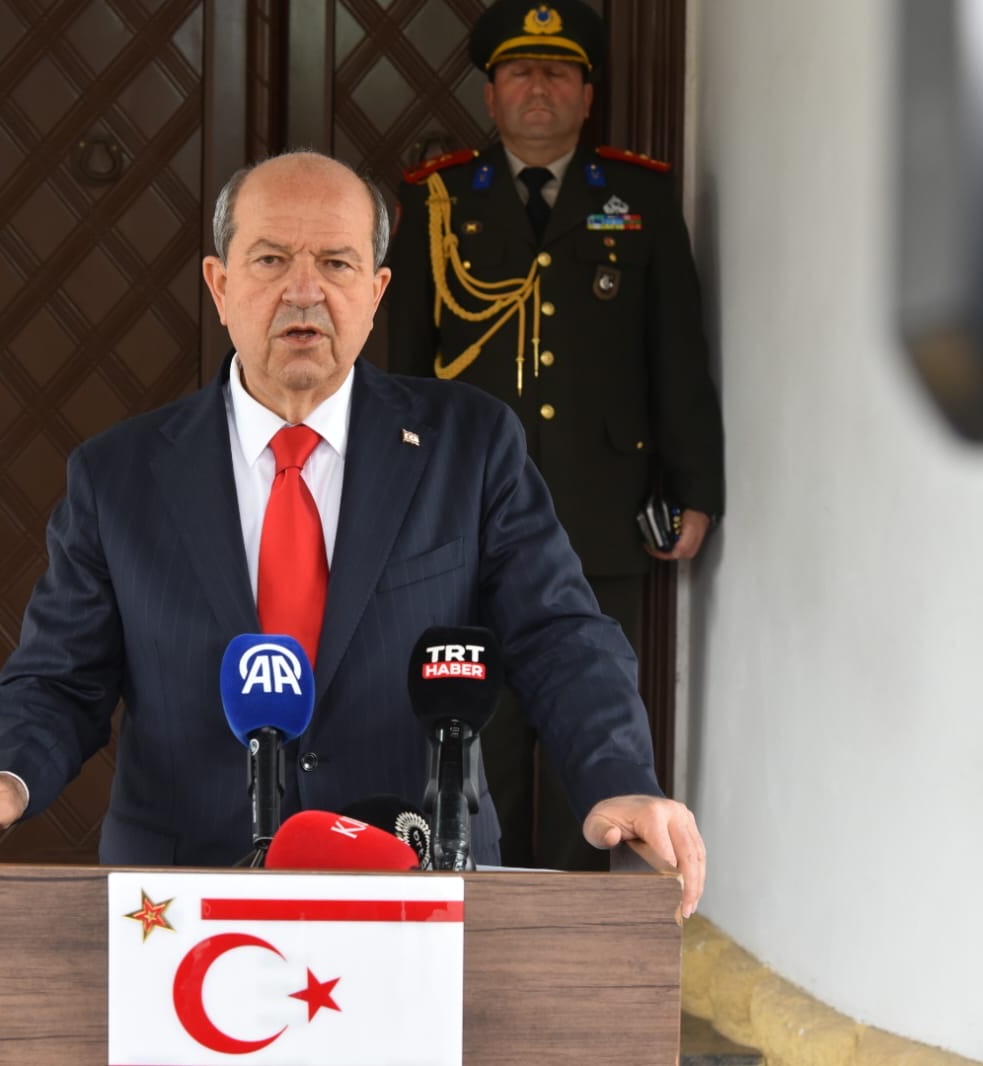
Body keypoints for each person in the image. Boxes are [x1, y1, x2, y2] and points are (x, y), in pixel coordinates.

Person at [0, 150, 704, 917]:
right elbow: (61, 678)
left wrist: (619, 777)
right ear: (219, 286)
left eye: (336, 263)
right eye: (269, 260)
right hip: (186, 900)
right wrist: (1, 774)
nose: (304, 291)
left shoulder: (470, 445)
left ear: (376, 289)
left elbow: (558, 636)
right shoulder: (116, 475)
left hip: (414, 880)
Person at [384, 0, 726, 872]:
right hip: (460, 509)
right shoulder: (438, 200)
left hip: (600, 503)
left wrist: (694, 489)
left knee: (589, 714)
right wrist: (397, 499)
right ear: (490, 94)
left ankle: (570, 919)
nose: (537, 89)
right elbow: (404, 365)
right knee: (478, 728)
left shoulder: (637, 197)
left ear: (586, 93)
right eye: (519, 73)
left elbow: (676, 352)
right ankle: (481, 900)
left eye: (557, 73)